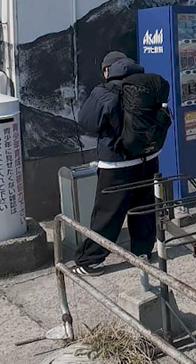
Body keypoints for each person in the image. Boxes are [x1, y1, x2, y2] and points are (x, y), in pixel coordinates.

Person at [71, 51, 171, 276]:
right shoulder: (149, 83)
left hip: (117, 163)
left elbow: (87, 122)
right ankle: (142, 252)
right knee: (144, 208)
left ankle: (89, 260)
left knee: (107, 214)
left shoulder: (105, 91)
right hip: (149, 157)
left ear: (107, 70)